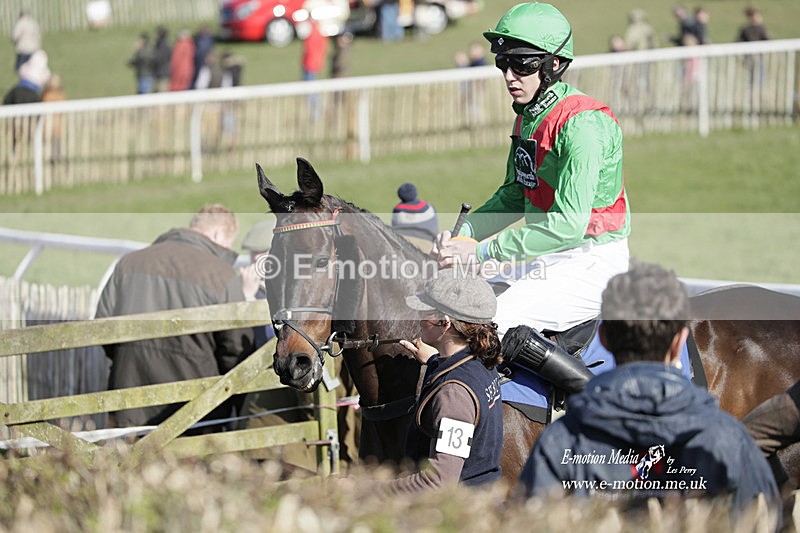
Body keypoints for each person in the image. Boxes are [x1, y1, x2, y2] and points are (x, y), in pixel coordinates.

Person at [516, 262, 780, 525]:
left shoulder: (558, 442)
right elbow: (763, 521)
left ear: (604, 337)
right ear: (679, 343)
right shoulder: (732, 441)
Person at [431, 2, 630, 337]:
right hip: (544, 253)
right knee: (448, 301)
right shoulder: (527, 116)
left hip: (591, 259)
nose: (510, 76)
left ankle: (583, 391)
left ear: (553, 63)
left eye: (521, 64)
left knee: (488, 324)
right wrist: (463, 236)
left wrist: (481, 250)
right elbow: (513, 196)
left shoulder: (584, 126)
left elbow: (568, 226)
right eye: (503, 63)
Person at [95, 204, 256, 429]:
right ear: (219, 234)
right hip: (195, 412)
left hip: (129, 403)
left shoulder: (129, 263)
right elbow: (236, 349)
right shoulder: (222, 275)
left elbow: (103, 330)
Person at [384, 273, 503, 493]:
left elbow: (438, 482)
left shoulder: (453, 394)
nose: (419, 318)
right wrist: (433, 361)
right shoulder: (482, 361)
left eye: (424, 312)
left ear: (444, 323)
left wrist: (363, 489)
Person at [391, 182, 440, 253]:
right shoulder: (429, 208)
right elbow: (435, 229)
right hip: (427, 243)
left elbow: (395, 228)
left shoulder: (398, 210)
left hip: (402, 244)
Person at [301, 20, 329, 121]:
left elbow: (309, 51)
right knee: (312, 90)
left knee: (310, 92)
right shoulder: (320, 35)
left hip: (310, 66)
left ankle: (317, 113)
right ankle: (319, 110)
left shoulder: (313, 34)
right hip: (314, 65)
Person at [153, 26, 172, 93]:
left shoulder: (163, 45)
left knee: (162, 94)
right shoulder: (161, 44)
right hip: (160, 73)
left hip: (163, 74)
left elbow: (159, 59)